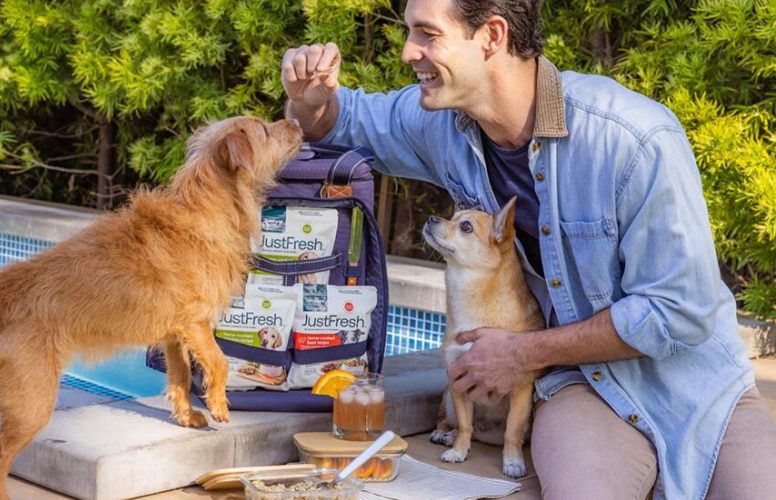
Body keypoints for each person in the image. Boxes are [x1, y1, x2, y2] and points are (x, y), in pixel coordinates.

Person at [280, 0, 776, 498]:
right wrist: (307, 98)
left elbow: (678, 312)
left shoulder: (633, 140)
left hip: (696, 391)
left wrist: (523, 351)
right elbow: (342, 120)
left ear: (492, 35)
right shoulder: (443, 124)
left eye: (427, 34)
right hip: (576, 386)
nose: (410, 52)